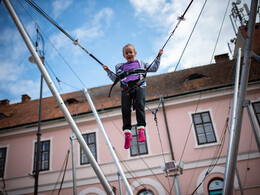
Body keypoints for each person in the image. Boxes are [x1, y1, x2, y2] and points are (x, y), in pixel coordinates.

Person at [103, 44, 163, 149]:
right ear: (124, 55)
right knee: (125, 110)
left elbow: (154, 68)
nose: (129, 54)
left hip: (139, 85)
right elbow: (115, 79)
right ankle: (127, 135)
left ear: (135, 53)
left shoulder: (141, 63)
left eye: (131, 52)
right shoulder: (120, 67)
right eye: (127, 53)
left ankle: (141, 130)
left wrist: (158, 57)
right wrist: (108, 71)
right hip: (126, 87)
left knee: (140, 106)